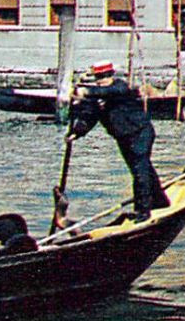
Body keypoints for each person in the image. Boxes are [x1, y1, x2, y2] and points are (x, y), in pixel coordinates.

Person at [68, 61, 169, 220]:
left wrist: (85, 91)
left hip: (140, 132)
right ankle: (160, 201)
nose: (100, 80)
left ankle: (143, 211)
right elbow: (89, 117)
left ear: (110, 75)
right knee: (143, 168)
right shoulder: (97, 96)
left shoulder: (120, 87)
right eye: (98, 77)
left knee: (139, 169)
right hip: (122, 137)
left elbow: (110, 91)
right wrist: (76, 133)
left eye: (103, 77)